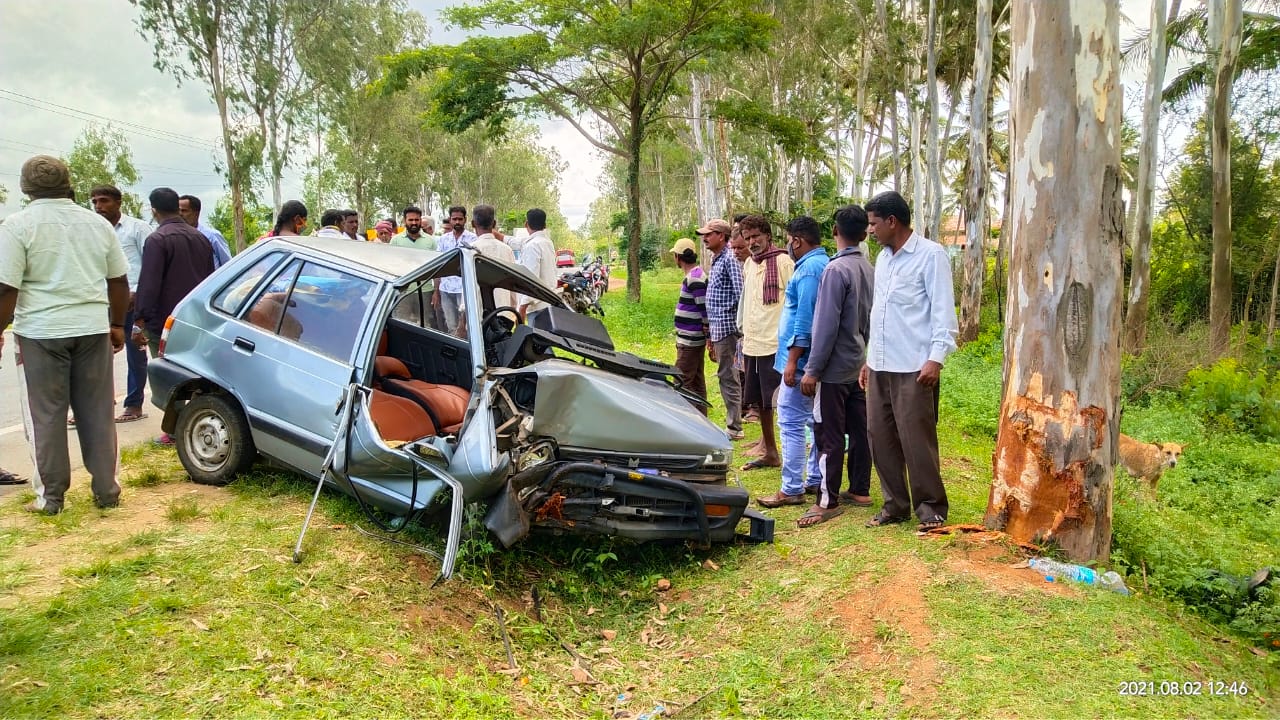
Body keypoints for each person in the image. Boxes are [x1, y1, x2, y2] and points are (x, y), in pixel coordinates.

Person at [0, 155, 130, 514]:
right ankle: (107, 492)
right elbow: (118, 279)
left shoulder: (17, 225)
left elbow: (6, 288)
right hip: (91, 329)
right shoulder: (97, 224)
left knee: (46, 416)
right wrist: (117, 324)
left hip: (40, 333)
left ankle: (51, 499)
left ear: (26, 188)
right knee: (98, 412)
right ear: (66, 183)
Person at [859, 190, 958, 531]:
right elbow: (880, 315)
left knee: (917, 440)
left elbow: (944, 312)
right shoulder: (884, 259)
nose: (870, 231)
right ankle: (895, 504)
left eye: (874, 224)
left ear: (892, 221)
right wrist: (868, 360)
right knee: (879, 436)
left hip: (914, 367)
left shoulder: (931, 255)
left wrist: (936, 359)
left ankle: (931, 508)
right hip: (880, 365)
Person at [797, 205, 876, 527]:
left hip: (833, 369)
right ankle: (859, 489)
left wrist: (813, 369)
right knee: (859, 430)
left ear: (834, 231)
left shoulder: (835, 270)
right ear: (863, 232)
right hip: (858, 363)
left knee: (827, 435)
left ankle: (827, 501)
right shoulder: (869, 268)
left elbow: (826, 325)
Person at [135, 188, 217, 445]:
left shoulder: (157, 240)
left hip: (165, 321)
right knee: (194, 374)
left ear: (154, 210)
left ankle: (174, 430)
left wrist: (140, 321)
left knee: (167, 373)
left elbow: (149, 284)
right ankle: (193, 426)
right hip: (195, 318)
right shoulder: (200, 238)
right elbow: (209, 279)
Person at [756, 216, 828, 508]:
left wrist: (793, 361)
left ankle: (792, 487)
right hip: (807, 361)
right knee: (812, 421)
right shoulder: (818, 265)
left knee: (791, 423)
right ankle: (812, 479)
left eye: (789, 240)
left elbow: (805, 320)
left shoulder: (809, 270)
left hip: (800, 363)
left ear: (796, 240)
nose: (788, 245)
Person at [90, 185, 152, 424]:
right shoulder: (92, 230)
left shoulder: (137, 229)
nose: (98, 206)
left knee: (135, 354)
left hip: (131, 300)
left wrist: (140, 296)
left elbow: (151, 265)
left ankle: (134, 404)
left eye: (104, 201)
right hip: (100, 301)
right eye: (94, 201)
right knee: (95, 355)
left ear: (118, 202)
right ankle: (99, 405)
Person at [736, 215, 792, 471]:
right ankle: (769, 450)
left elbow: (794, 301)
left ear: (768, 235)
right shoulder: (749, 263)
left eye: (756, 236)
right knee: (759, 400)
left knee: (776, 399)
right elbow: (747, 300)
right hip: (753, 342)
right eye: (747, 238)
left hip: (775, 342)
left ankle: (784, 450)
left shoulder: (783, 261)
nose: (752, 242)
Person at [698, 218, 745, 440]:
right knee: (725, 375)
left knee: (728, 376)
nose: (705, 238)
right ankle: (733, 421)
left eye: (709, 234)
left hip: (727, 328)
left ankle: (734, 427)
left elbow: (740, 293)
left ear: (721, 236)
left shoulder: (729, 259)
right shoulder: (716, 259)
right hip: (718, 328)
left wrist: (739, 327)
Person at [671, 237, 709, 413]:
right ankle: (701, 417)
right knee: (696, 380)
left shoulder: (695, 278)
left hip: (691, 340)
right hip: (688, 337)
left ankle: (688, 418)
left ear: (678, 257)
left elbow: (703, 308)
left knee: (681, 380)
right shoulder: (693, 276)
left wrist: (707, 332)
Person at [436, 205, 476, 334]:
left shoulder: (473, 239)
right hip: (445, 288)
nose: (457, 222)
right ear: (450, 220)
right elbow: (438, 266)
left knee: (467, 326)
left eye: (460, 219)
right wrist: (436, 291)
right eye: (454, 219)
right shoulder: (443, 239)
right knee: (451, 325)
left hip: (464, 290)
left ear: (465, 219)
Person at [471, 204, 516, 309]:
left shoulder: (470, 251)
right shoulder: (507, 250)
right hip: (504, 313)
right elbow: (513, 284)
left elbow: (468, 287)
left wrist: (463, 319)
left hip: (478, 316)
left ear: (473, 224)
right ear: (494, 224)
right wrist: (513, 310)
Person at [517, 208, 558, 320]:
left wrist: (523, 306)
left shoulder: (532, 246)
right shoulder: (547, 243)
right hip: (549, 301)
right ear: (544, 225)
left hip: (537, 307)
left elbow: (531, 278)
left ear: (526, 224)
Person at [177, 194, 233, 267]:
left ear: (196, 214)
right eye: (178, 211)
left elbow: (228, 264)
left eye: (184, 211)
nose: (180, 214)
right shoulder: (176, 238)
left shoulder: (211, 236)